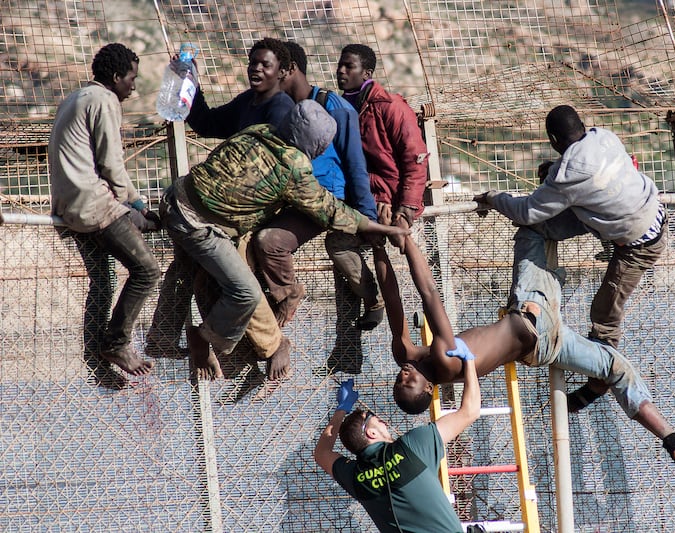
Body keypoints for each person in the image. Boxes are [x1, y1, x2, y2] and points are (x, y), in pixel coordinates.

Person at [381, 229, 675, 464]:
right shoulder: (443, 358)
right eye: (408, 382)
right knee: (532, 227)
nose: (404, 374)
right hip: (534, 313)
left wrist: (378, 246)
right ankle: (614, 223)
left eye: (399, 379)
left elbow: (392, 297)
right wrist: (407, 240)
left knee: (618, 369)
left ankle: (673, 439)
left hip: (541, 349)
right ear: (428, 388)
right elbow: (428, 293)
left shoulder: (407, 355)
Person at [159, 100, 409, 380]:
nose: (324, 149)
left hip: (176, 198)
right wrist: (381, 228)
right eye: (322, 143)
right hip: (198, 225)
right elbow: (328, 208)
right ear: (313, 142)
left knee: (204, 276)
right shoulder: (293, 164)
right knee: (244, 292)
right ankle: (205, 338)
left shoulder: (260, 131)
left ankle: (164, 339)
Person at [473, 104, 668, 412]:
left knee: (605, 311)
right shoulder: (603, 136)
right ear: (583, 124)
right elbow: (582, 176)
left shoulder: (567, 175)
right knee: (545, 225)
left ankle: (601, 379)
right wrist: (553, 172)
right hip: (644, 211)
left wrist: (494, 199)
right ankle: (599, 370)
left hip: (638, 243)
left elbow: (525, 210)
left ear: (553, 138)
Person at [145, 38, 295, 367]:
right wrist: (191, 83)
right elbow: (208, 123)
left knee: (240, 281)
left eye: (264, 64)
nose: (256, 68)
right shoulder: (250, 102)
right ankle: (164, 337)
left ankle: (266, 346)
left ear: (282, 72)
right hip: (218, 207)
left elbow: (275, 169)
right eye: (252, 62)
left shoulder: (279, 110)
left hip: (244, 210)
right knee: (190, 263)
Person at [49, 42, 161, 377]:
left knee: (103, 281)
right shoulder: (104, 100)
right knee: (147, 271)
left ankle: (97, 361)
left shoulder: (76, 97)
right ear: (115, 77)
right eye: (131, 78)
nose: (133, 86)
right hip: (94, 206)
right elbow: (112, 165)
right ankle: (117, 343)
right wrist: (138, 204)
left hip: (68, 208)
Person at [251, 40, 379, 333]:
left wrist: (366, 218)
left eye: (275, 71)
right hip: (288, 197)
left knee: (273, 242)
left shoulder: (336, 108)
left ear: (289, 71)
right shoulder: (277, 108)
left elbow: (354, 163)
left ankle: (371, 302)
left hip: (322, 199)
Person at [317, 43, 430, 374]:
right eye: (340, 65)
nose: (341, 71)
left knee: (394, 257)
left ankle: (408, 342)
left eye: (348, 67)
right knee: (341, 245)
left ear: (367, 73)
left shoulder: (389, 107)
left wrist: (404, 210)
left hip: (387, 203)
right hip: (358, 202)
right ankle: (372, 307)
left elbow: (415, 159)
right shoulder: (336, 108)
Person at [314, 308, 480, 532]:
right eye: (373, 419)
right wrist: (469, 360)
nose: (381, 420)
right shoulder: (413, 447)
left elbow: (322, 454)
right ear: (370, 434)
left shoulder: (356, 478)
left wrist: (343, 409)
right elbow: (469, 411)